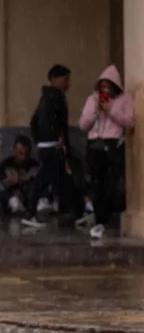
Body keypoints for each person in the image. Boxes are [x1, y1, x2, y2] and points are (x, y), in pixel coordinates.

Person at [78, 65, 134, 238]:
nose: (105, 90)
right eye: (102, 86)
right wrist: (96, 110)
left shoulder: (124, 99)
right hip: (94, 144)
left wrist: (111, 110)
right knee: (96, 183)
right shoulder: (92, 99)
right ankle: (99, 219)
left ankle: (105, 219)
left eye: (108, 86)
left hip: (112, 144)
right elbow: (82, 125)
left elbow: (130, 122)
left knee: (110, 184)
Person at [22, 64, 71, 228]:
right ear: (56, 80)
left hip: (46, 145)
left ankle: (70, 211)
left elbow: (33, 122)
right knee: (45, 179)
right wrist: (59, 140)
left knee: (59, 178)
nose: (68, 83)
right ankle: (30, 212)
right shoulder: (56, 98)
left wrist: (39, 141)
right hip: (52, 145)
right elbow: (61, 124)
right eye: (66, 79)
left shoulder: (45, 98)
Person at [0, 135, 39, 216]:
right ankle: (13, 202)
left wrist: (27, 179)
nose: (23, 157)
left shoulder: (34, 164)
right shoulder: (5, 164)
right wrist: (10, 181)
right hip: (10, 198)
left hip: (26, 199)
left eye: (26, 153)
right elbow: (0, 183)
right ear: (14, 150)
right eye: (20, 153)